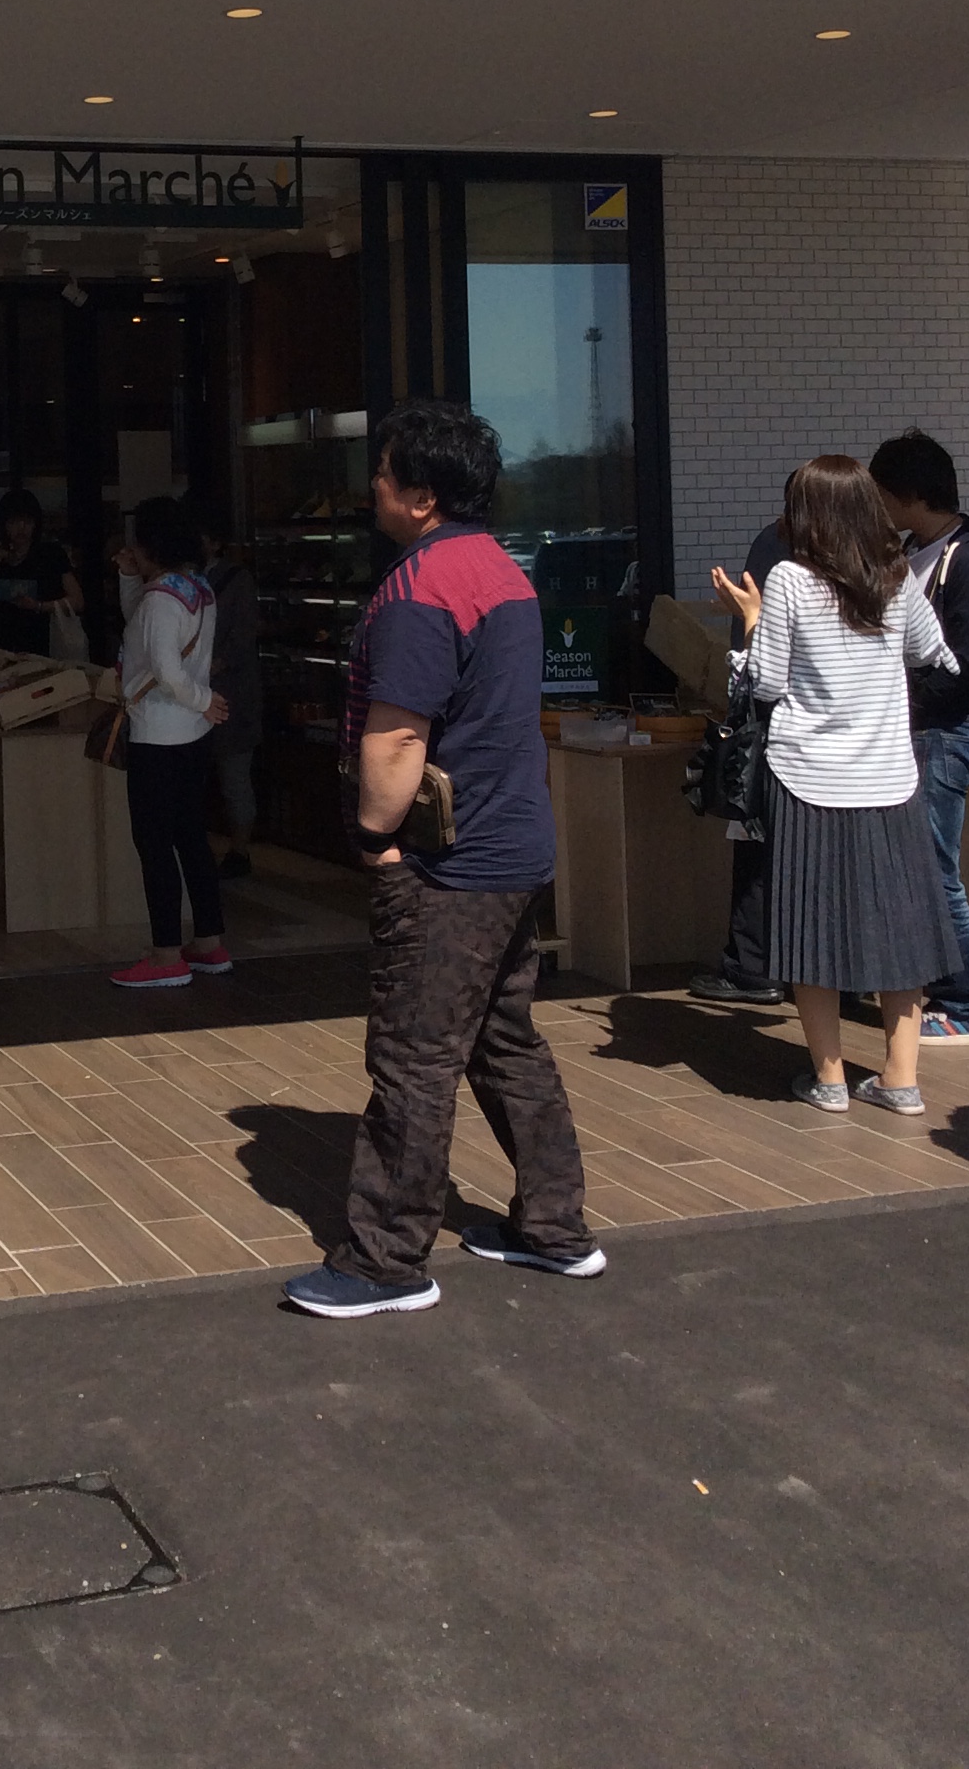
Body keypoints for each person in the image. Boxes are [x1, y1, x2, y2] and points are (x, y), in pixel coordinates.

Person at [285, 401, 603, 1322]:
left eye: (384, 473)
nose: (372, 488)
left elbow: (396, 740)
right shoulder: (502, 569)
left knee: (414, 1055)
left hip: (449, 862)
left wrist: (375, 840)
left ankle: (387, 1258)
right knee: (504, 1039)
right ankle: (554, 1227)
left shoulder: (420, 588)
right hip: (517, 844)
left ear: (421, 495)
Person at [712, 455, 960, 1117]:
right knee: (900, 927)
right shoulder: (894, 575)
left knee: (810, 927)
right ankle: (900, 1080)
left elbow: (766, 682)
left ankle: (829, 1080)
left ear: (809, 514)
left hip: (808, 778)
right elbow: (929, 651)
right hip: (889, 777)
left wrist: (750, 619)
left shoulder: (791, 579)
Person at [869, 429, 969, 1044]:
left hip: (946, 734)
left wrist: (905, 699)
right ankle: (965, 983)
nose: (877, 507)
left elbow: (965, 663)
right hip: (915, 734)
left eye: (881, 494)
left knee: (933, 870)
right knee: (920, 867)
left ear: (909, 495)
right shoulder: (911, 551)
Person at [107, 495, 232, 990]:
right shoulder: (198, 588)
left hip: (158, 735)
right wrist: (128, 579)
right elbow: (144, 631)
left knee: (154, 843)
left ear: (152, 545)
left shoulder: (161, 597)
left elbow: (162, 667)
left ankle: (165, 954)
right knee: (191, 837)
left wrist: (203, 698)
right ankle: (209, 942)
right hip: (193, 736)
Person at [689, 492, 792, 1008]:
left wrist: (750, 621)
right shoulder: (872, 568)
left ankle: (753, 968)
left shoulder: (780, 555)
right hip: (858, 761)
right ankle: (827, 976)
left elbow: (762, 676)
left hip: (774, 738)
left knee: (757, 849)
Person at [199, 509, 261, 881]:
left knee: (234, 776)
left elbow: (243, 637)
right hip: (203, 693)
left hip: (230, 695)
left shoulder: (237, 579)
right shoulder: (190, 578)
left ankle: (240, 849)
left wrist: (212, 666)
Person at [0, 487, 84, 657]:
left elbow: (78, 601)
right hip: (5, 646)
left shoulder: (51, 554)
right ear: (4, 524)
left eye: (27, 522)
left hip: (46, 643)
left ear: (36, 524)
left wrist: (39, 606)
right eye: (14, 522)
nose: (21, 528)